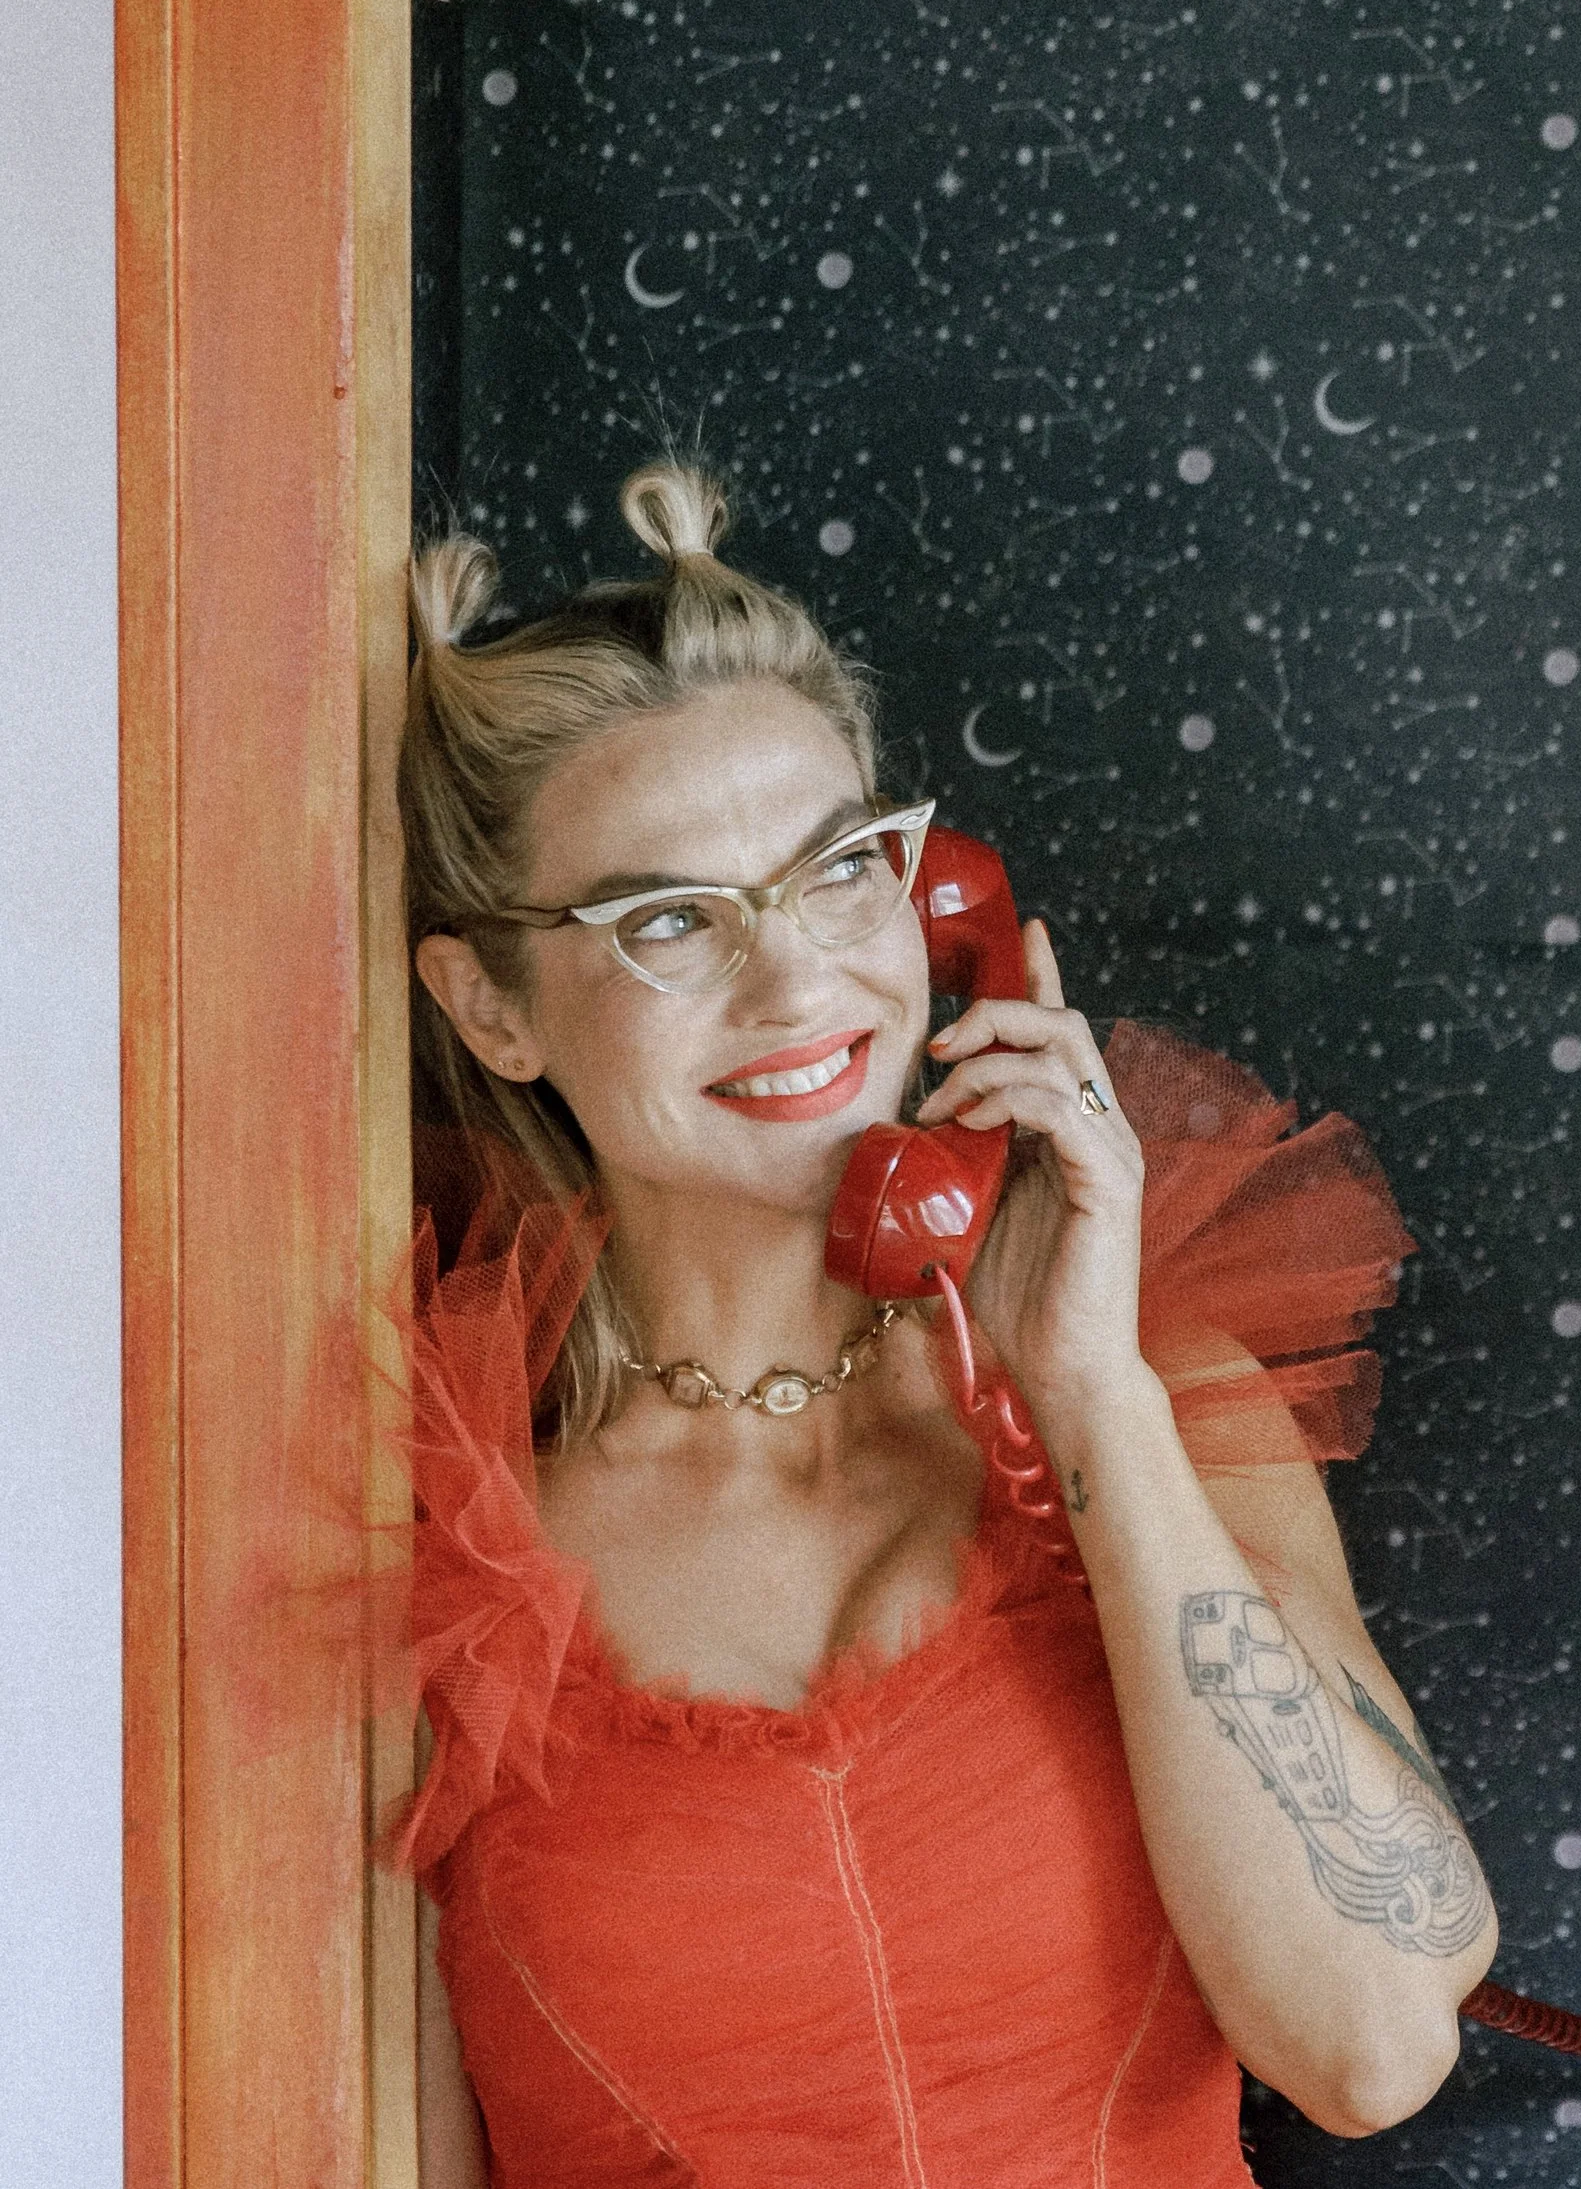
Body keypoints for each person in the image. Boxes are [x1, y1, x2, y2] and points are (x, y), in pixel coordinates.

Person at [390, 459, 1497, 2188]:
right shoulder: (436, 1533)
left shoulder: (1154, 1405)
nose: (798, 980)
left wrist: (1092, 1396)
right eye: (670, 918)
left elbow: (1372, 2045)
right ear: (490, 1007)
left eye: (841, 871)